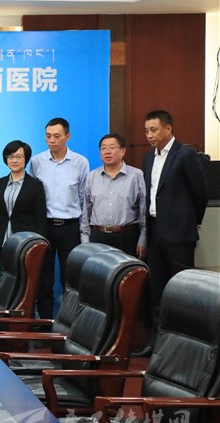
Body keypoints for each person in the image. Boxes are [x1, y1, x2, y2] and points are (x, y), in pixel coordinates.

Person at [134, 110, 208, 357]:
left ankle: (182, 347)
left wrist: (188, 223)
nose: (149, 135)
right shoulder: (148, 158)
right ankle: (156, 342)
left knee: (182, 292)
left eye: (153, 130)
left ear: (168, 129)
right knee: (156, 290)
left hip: (179, 236)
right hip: (155, 233)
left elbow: (200, 194)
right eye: (146, 131)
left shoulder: (185, 155)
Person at [28, 117, 89, 319]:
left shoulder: (80, 162)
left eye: (56, 136)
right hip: (44, 226)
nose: (51, 140)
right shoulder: (36, 162)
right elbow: (33, 196)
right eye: (48, 136)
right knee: (43, 279)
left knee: (70, 279)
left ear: (67, 136)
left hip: (70, 227)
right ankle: (45, 323)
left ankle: (69, 324)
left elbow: (83, 198)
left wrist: (84, 231)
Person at [80, 133, 146, 258]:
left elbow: (143, 211)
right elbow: (86, 212)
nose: (107, 152)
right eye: (103, 148)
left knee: (126, 270)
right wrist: (85, 241)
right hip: (98, 236)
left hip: (127, 236)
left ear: (123, 151)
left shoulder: (136, 175)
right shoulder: (91, 177)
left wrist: (143, 239)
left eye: (112, 147)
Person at [0, 140, 47, 264]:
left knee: (25, 276)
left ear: (26, 159)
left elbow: (40, 218)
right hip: (2, 243)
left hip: (26, 243)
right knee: (4, 275)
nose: (14, 160)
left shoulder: (35, 185)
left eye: (19, 156)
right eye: (10, 157)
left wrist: (39, 245)